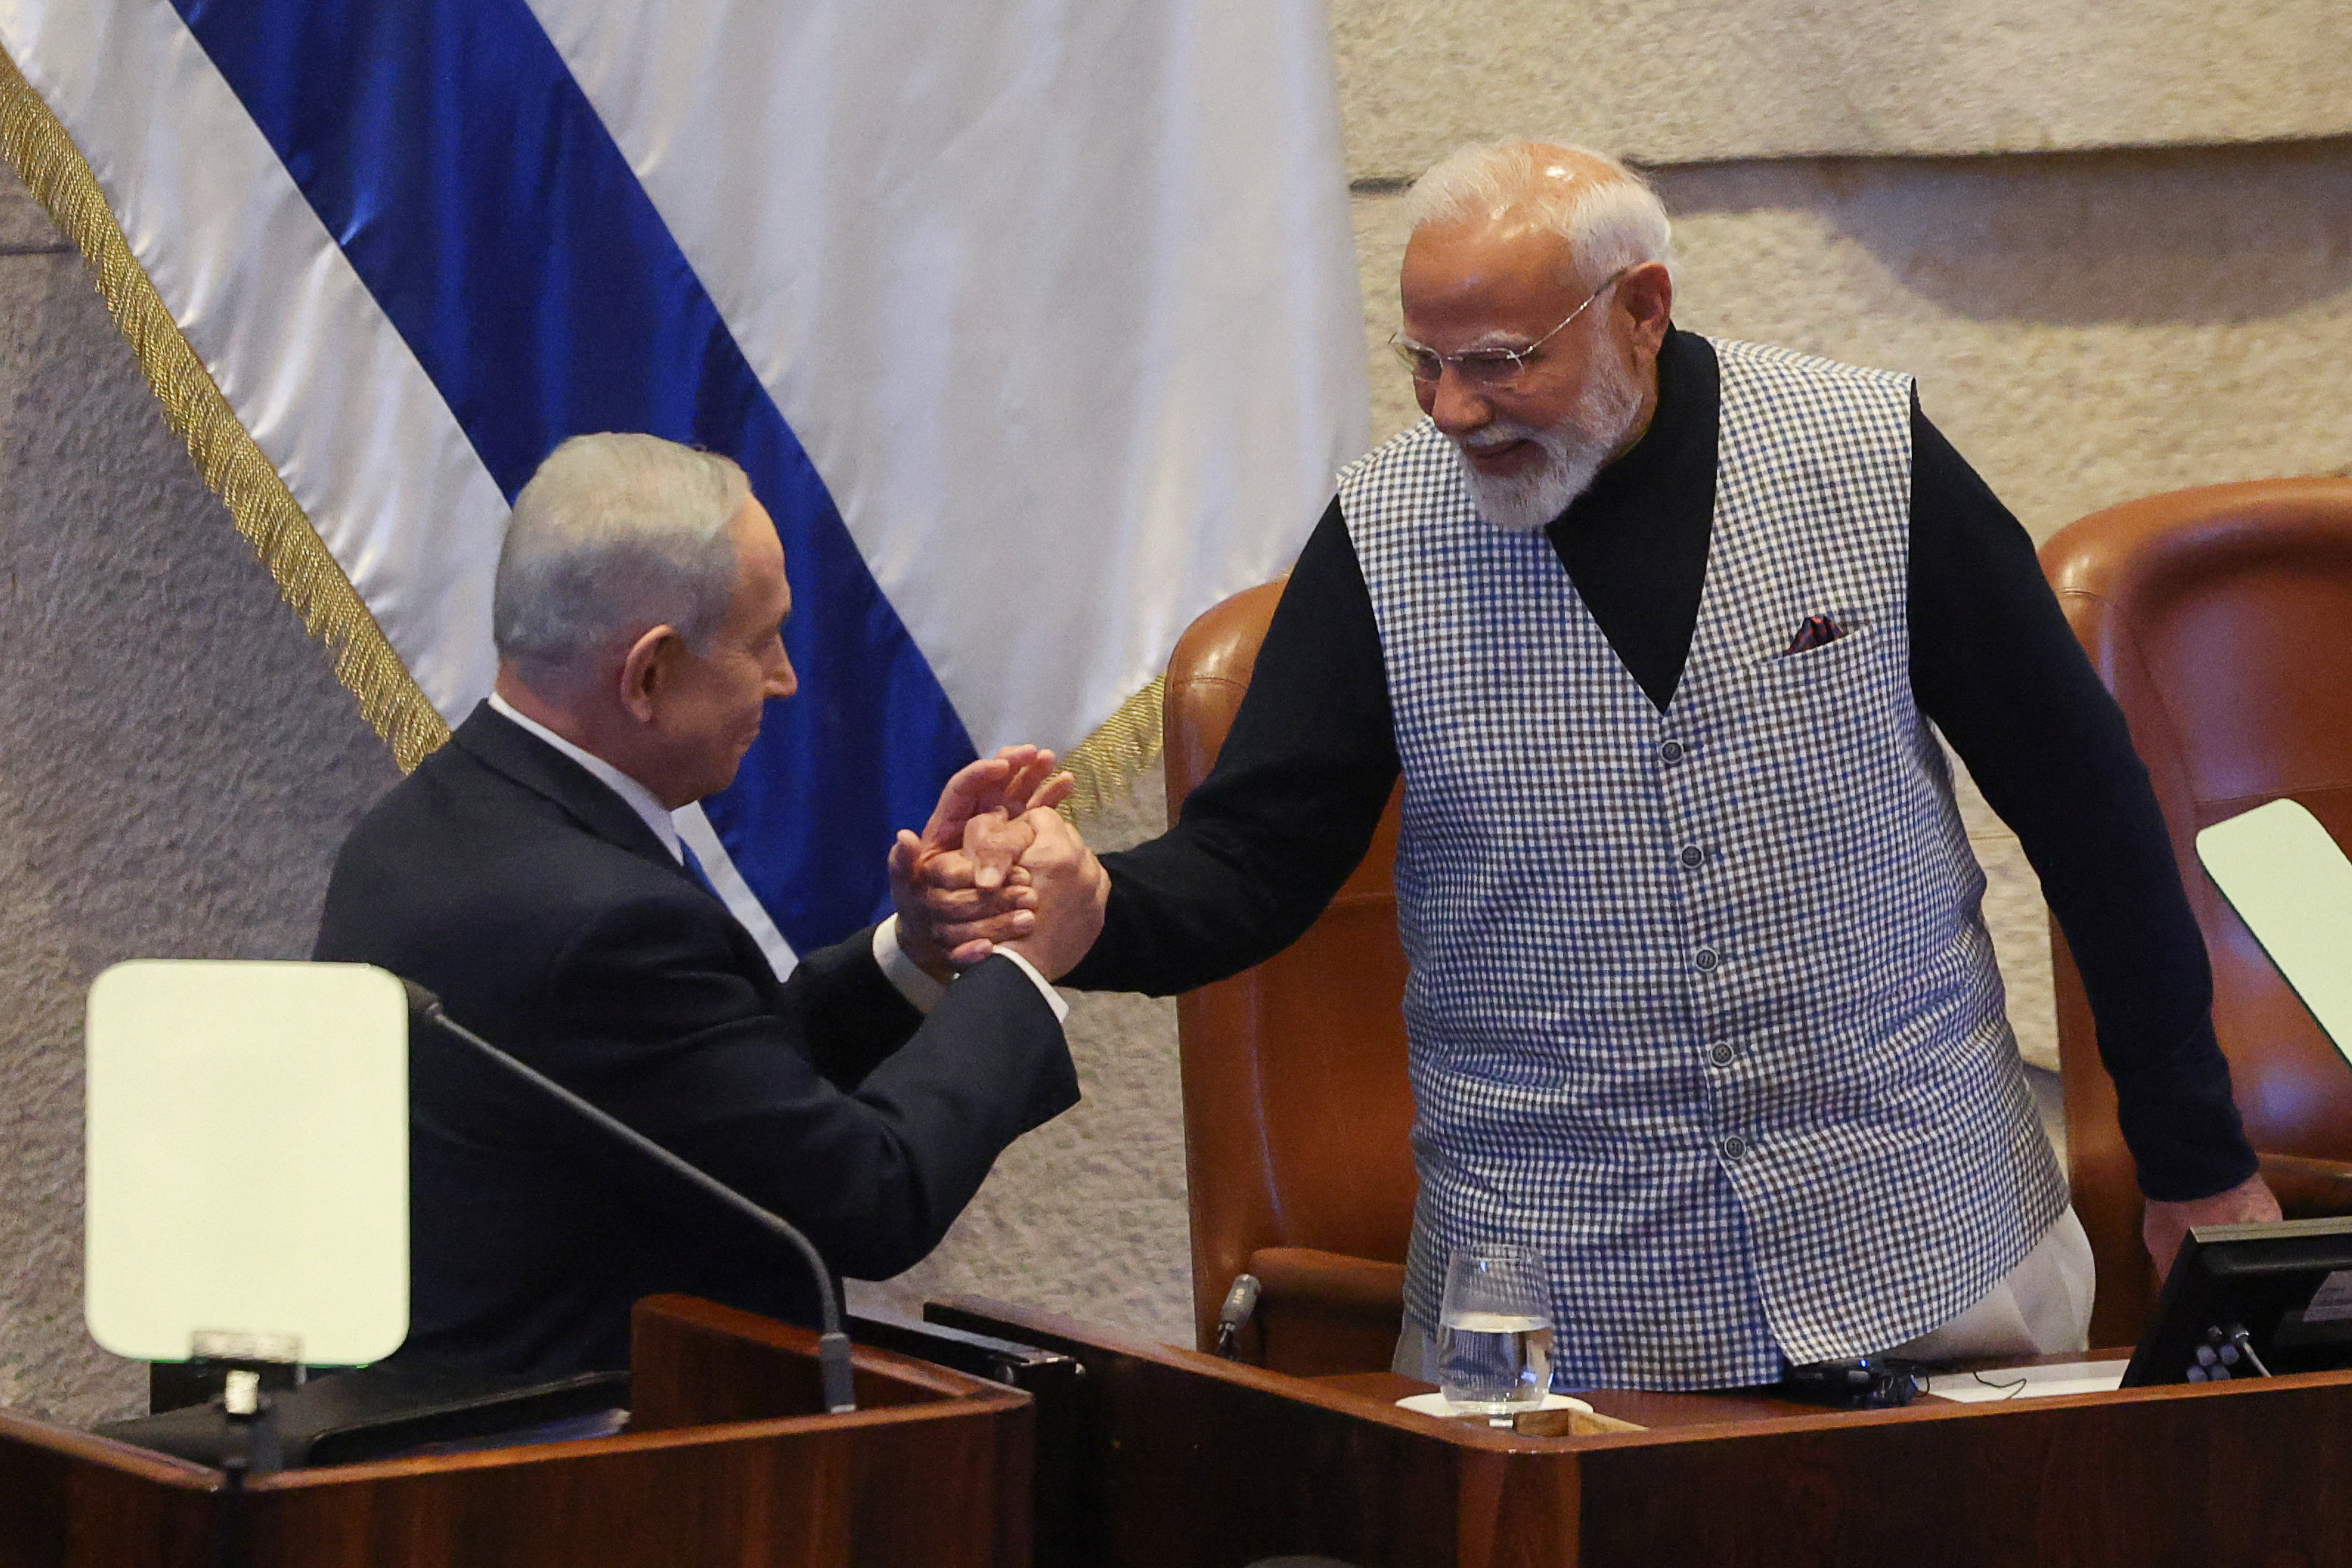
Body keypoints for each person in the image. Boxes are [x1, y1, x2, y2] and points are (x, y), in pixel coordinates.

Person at [913, 141, 2280, 1390]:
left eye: (1502, 358)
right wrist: (1094, 910)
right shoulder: (1382, 538)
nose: (1454, 408)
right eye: (1422, 363)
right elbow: (1254, 860)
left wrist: (2196, 1161)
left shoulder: (1864, 459)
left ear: (1642, 307)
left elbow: (2087, 808)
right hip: (1563, 1314)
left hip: (1934, 1250)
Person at [315, 432, 1105, 1378]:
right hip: (602, 1477)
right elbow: (869, 1199)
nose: (786, 678)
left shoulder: (422, 831)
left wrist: (920, 950)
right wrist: (1023, 963)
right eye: (761, 639)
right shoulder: (598, 921)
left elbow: (712, 1088)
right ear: (649, 674)